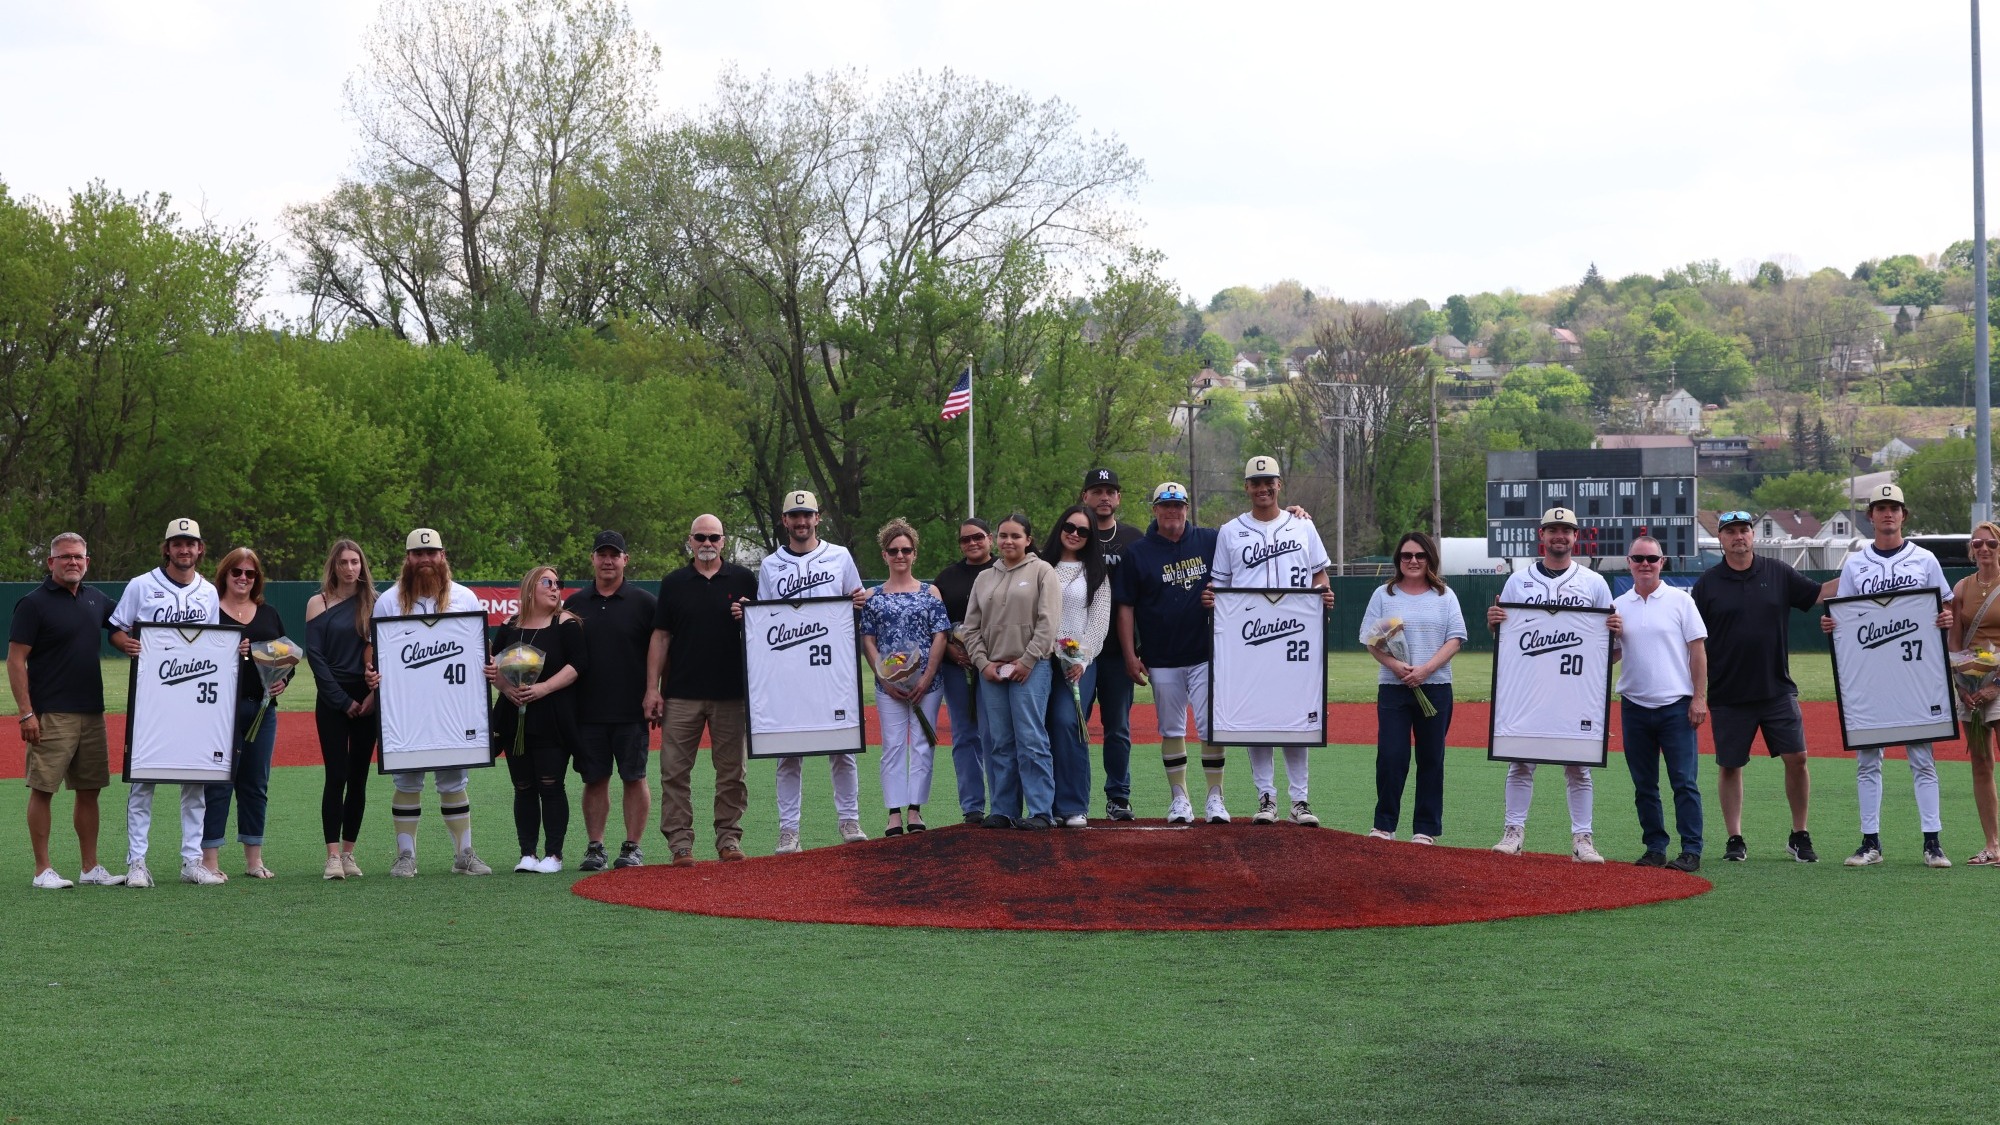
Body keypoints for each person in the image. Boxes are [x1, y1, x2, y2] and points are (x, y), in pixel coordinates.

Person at [1821, 483, 1953, 868]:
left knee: (1922, 759)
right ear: (1871, 516)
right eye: (1880, 507)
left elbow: (1944, 607)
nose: (1887, 513)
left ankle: (1932, 843)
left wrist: (1945, 618)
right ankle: (1870, 843)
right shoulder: (1857, 563)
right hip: (1873, 677)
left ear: (1903, 515)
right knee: (1867, 758)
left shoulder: (1925, 559)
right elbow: (1843, 614)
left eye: (1893, 507)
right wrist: (1831, 623)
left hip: (1914, 673)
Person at [1205, 456, 1334, 827]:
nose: (1263, 488)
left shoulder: (1302, 526)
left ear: (1280, 484)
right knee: (1255, 716)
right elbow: (1220, 583)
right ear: (1246, 487)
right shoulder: (1230, 531)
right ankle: (1266, 797)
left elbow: (1319, 575)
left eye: (1269, 481)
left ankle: (1300, 800)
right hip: (1249, 636)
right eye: (1256, 482)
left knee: (1296, 714)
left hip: (1295, 631)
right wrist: (1212, 599)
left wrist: (1324, 594)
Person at [1486, 507, 1620, 864]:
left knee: (1579, 766)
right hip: (1530, 687)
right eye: (1553, 529)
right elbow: (1507, 640)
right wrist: (1495, 623)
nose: (1559, 536)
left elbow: (1610, 649)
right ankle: (1513, 832)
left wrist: (1611, 639)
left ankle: (1583, 839)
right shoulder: (1518, 580)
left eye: (1567, 530)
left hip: (1574, 691)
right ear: (1541, 535)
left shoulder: (1593, 583)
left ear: (1577, 537)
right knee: (1520, 762)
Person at [1691, 509, 1825, 863]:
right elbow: (1690, 639)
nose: (1739, 536)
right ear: (1720, 539)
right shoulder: (1708, 584)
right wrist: (1698, 693)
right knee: (1730, 765)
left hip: (1776, 688)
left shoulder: (1778, 572)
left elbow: (1817, 595)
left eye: (1744, 530)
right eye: (1731, 531)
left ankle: (1799, 833)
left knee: (1798, 758)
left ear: (1753, 535)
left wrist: (1861, 574)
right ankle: (1735, 838)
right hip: (1729, 693)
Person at [741, 491, 870, 853]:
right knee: (787, 752)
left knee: (842, 747)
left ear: (818, 517)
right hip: (789, 669)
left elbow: (854, 604)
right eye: (794, 516)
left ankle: (849, 820)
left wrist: (860, 600)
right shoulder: (770, 565)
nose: (801, 522)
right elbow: (766, 621)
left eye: (807, 515)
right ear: (784, 520)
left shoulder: (840, 557)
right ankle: (789, 831)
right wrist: (751, 614)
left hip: (831, 669)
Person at [370, 528, 493, 877]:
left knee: (455, 779)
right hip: (407, 709)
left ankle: (464, 854)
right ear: (407, 559)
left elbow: (480, 651)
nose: (425, 560)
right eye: (418, 554)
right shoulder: (389, 601)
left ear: (443, 556)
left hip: (453, 706)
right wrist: (372, 673)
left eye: (432, 553)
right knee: (407, 781)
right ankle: (406, 856)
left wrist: (488, 665)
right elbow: (375, 653)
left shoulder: (465, 598)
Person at [109, 517, 223, 887]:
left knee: (195, 782)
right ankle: (137, 863)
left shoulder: (207, 592)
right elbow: (116, 628)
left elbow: (214, 641)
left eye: (190, 543)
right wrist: (123, 643)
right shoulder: (141, 585)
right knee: (143, 782)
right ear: (167, 548)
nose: (184, 549)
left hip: (193, 700)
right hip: (151, 700)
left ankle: (192, 861)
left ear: (200, 549)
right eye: (177, 543)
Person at [9, 532, 124, 889]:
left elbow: (120, 627)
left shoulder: (96, 599)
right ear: (51, 562)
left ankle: (90, 868)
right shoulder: (33, 603)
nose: (73, 562)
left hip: (92, 711)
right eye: (65, 557)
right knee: (43, 789)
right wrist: (27, 713)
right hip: (51, 713)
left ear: (87, 562)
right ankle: (42, 870)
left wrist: (130, 642)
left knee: (89, 790)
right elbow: (15, 660)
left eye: (79, 557)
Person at [646, 515, 757, 864]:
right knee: (674, 771)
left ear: (724, 541)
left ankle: (729, 839)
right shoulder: (674, 582)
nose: (707, 543)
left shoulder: (744, 579)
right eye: (700, 537)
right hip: (681, 692)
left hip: (732, 692)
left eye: (713, 537)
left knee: (732, 773)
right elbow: (661, 636)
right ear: (690, 541)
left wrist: (751, 615)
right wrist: (653, 689)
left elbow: (765, 631)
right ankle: (680, 843)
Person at [1115, 482, 1228, 824]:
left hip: (1206, 652)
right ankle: (1180, 798)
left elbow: (1251, 537)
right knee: (1172, 728)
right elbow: (1125, 608)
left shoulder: (1210, 539)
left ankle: (1214, 797)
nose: (1172, 511)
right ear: (1155, 510)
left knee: (1212, 727)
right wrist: (1130, 655)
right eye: (1165, 506)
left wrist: (1296, 516)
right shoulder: (1138, 552)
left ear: (1187, 508)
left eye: (1178, 505)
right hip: (1161, 656)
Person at [1358, 531, 1464, 844]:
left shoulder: (1445, 595)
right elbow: (1372, 640)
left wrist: (1427, 669)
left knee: (1431, 759)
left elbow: (1455, 638)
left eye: (1419, 555)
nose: (1413, 561)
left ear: (1430, 558)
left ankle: (1426, 829)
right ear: (1398, 560)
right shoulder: (1384, 595)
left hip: (1435, 687)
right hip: (1394, 688)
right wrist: (1396, 666)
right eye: (1407, 556)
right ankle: (1384, 825)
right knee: (1391, 756)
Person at [1610, 535, 1707, 872]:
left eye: (1651, 558)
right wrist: (1611, 636)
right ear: (1629, 563)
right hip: (1634, 705)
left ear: (1662, 562)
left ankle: (1691, 849)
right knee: (1644, 784)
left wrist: (1699, 697)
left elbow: (1697, 651)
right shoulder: (1618, 605)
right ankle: (1655, 847)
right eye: (1638, 558)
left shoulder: (1681, 602)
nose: (1645, 564)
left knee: (1684, 781)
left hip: (1675, 706)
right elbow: (1609, 656)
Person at [963, 512, 1063, 828]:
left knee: (1031, 739)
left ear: (1028, 540)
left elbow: (1048, 623)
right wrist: (983, 664)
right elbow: (970, 628)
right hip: (993, 671)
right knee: (1000, 742)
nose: (1008, 541)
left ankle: (1040, 812)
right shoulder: (984, 578)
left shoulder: (1042, 572)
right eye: (1003, 535)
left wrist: (1028, 660)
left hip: (1031, 669)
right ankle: (1004, 809)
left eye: (1015, 536)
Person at [564, 531, 657, 871]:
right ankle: (595, 846)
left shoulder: (644, 602)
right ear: (592, 559)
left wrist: (655, 689)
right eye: (601, 554)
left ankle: (632, 846)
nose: (607, 560)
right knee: (594, 779)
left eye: (613, 555)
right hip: (587, 709)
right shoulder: (575, 604)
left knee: (634, 776)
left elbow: (659, 651)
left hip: (631, 707)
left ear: (625, 560)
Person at [488, 566, 586, 873]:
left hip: (553, 716)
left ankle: (553, 855)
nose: (555, 588)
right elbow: (493, 667)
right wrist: (507, 689)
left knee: (550, 783)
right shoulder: (509, 626)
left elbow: (578, 665)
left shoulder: (566, 623)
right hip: (514, 716)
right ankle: (527, 853)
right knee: (523, 785)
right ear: (531, 588)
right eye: (548, 582)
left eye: (558, 583)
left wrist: (542, 688)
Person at [200, 548, 290, 880]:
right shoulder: (210, 612)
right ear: (224, 574)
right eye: (236, 572)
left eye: (250, 574)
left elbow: (284, 658)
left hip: (262, 709)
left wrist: (283, 681)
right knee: (218, 783)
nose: (242, 578)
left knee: (255, 783)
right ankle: (209, 860)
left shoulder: (268, 614)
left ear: (257, 578)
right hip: (219, 709)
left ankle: (254, 860)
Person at [861, 519, 952, 835]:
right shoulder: (872, 596)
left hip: (928, 686)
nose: (900, 555)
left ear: (914, 554)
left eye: (906, 550)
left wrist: (927, 676)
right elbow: (868, 639)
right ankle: (894, 814)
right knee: (893, 746)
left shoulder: (931, 593)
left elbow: (941, 635)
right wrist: (884, 678)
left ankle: (915, 810)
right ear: (884, 555)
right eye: (893, 550)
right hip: (889, 689)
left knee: (923, 745)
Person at [305, 539, 377, 881]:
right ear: (333, 565)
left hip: (369, 701)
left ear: (362, 566)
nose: (350, 568)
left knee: (359, 778)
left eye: (355, 562)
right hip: (333, 701)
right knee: (336, 775)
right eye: (344, 562)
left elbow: (381, 656)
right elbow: (316, 660)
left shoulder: (375, 604)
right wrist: (342, 700)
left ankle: (349, 853)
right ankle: (332, 856)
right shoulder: (316, 604)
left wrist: (372, 697)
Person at [1077, 468, 1144, 820]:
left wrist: (1139, 650)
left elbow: (1145, 595)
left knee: (1117, 727)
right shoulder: (1073, 535)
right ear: (1084, 496)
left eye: (1110, 491)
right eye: (1096, 490)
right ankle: (1074, 798)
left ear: (1118, 498)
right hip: (1078, 651)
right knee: (1075, 723)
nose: (1104, 496)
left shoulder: (1133, 538)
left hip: (1119, 653)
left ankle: (1119, 796)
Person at [1040, 506, 1112, 827]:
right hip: (1041, 660)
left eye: (1083, 531)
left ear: (1090, 537)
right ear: (1060, 526)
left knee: (1068, 722)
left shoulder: (1095, 573)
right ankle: (1045, 804)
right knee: (1042, 727)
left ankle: (1073, 805)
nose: (1074, 534)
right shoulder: (1041, 567)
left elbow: (1098, 622)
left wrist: (1081, 660)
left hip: (1077, 663)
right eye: (1070, 526)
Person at [932, 518, 995, 824]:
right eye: (965, 539)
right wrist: (950, 651)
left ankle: (1003, 803)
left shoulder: (1005, 569)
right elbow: (935, 626)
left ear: (990, 539)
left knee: (995, 734)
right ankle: (972, 806)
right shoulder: (947, 578)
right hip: (957, 666)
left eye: (978, 537)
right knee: (964, 735)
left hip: (995, 666)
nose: (972, 543)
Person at [1947, 520, 2000, 866]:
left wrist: (1997, 684)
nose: (1984, 549)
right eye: (1977, 544)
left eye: (1991, 544)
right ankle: (1992, 845)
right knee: (1980, 763)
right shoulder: (1962, 587)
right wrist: (1961, 683)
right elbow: (1955, 636)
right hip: (1971, 681)